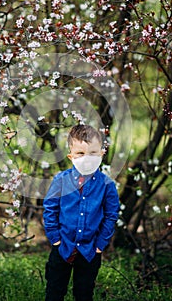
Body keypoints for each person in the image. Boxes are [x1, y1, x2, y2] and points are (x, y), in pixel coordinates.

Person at [43, 124, 120, 301]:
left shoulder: (107, 185)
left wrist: (100, 244)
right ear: (71, 156)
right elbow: (50, 209)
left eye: (93, 153)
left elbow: (111, 214)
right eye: (80, 153)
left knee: (84, 292)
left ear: (101, 154)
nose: (87, 158)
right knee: (54, 290)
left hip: (90, 249)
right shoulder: (61, 180)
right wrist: (55, 239)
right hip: (63, 246)